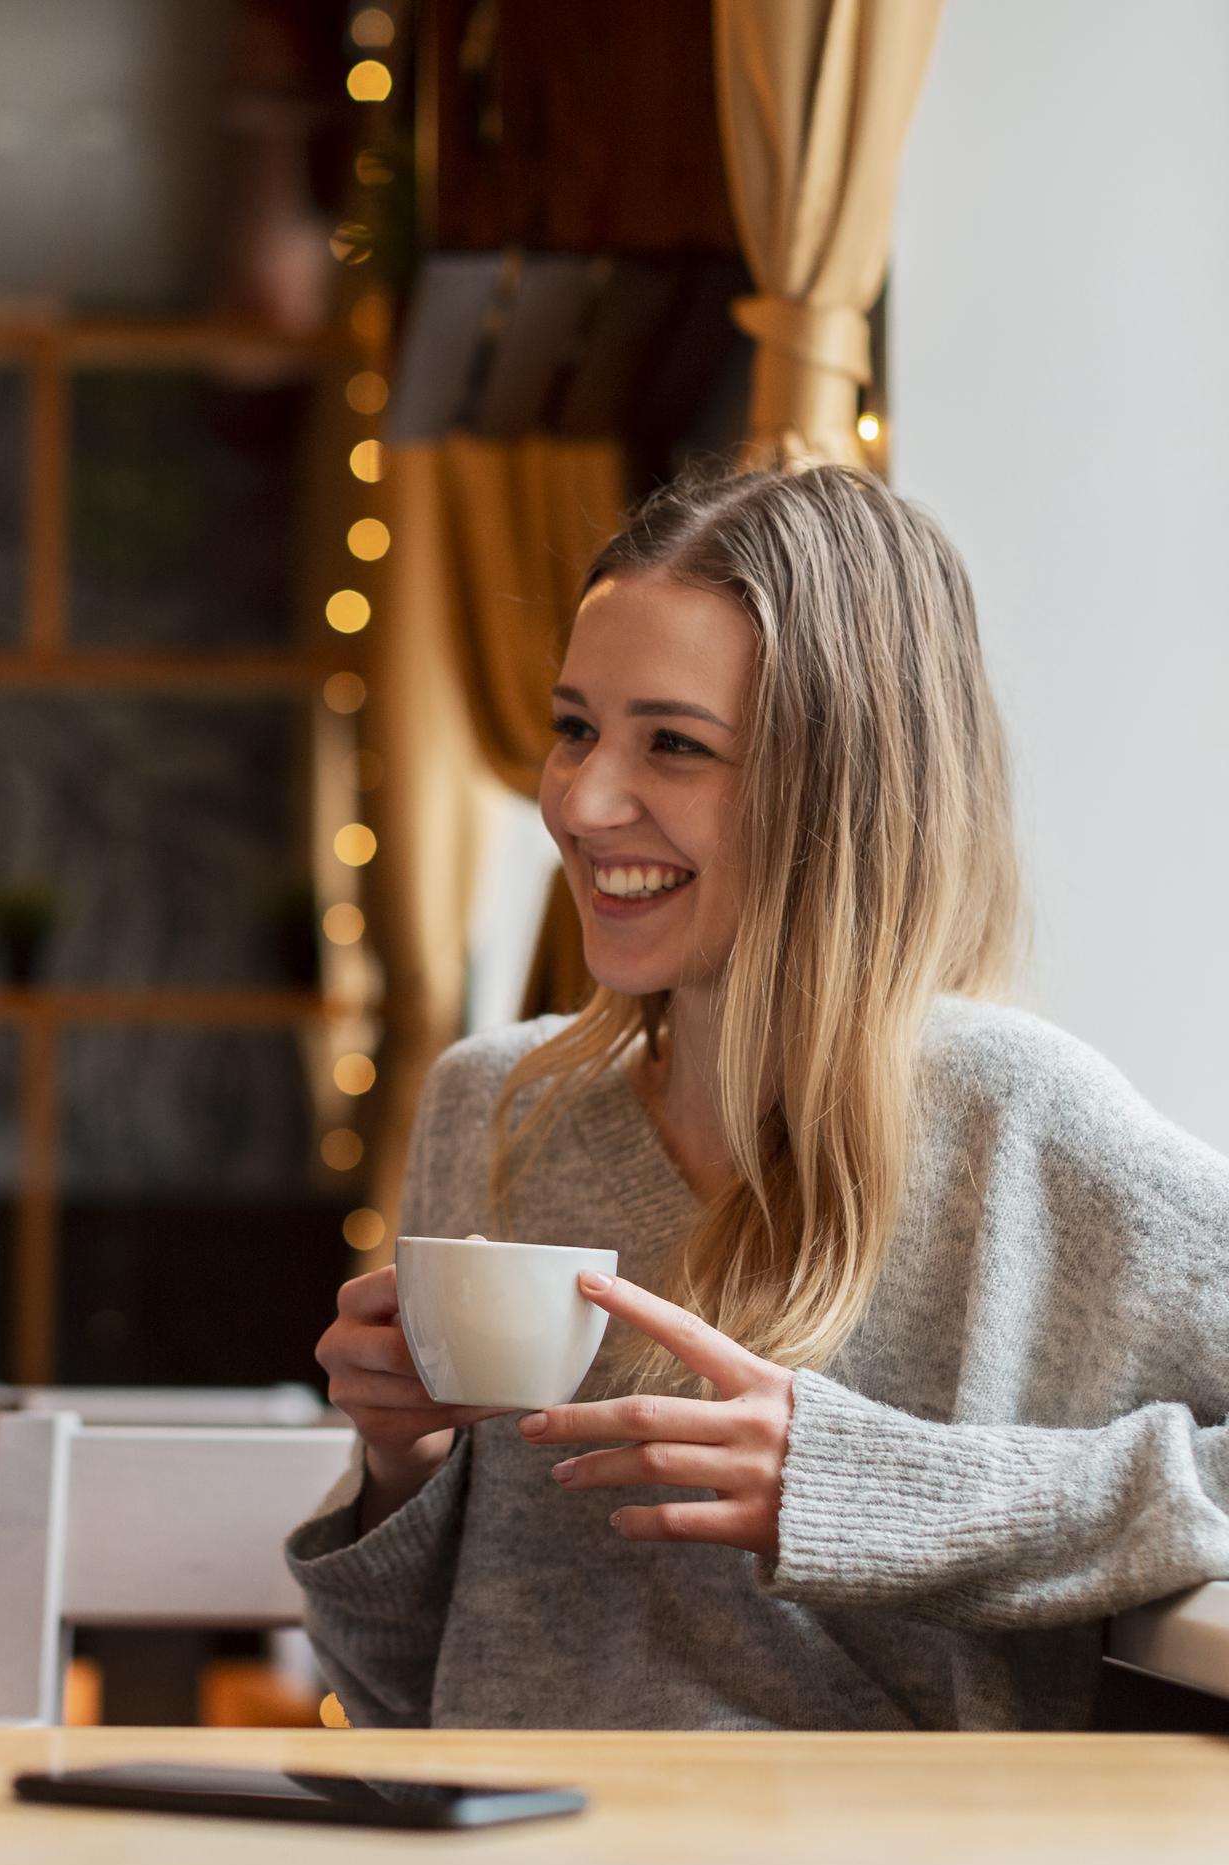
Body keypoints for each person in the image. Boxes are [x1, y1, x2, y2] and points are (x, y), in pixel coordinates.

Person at [290, 464, 1229, 1730]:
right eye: (577, 727)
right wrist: (399, 1468)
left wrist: (865, 1488)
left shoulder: (1019, 1130)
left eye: (673, 744)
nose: (583, 799)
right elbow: (413, 1702)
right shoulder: (493, 1107)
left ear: (841, 789)